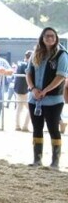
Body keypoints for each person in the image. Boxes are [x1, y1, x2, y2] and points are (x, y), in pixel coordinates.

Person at [26, 27, 67, 169]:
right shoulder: (35, 54)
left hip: (53, 100)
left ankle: (55, 162)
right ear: (42, 38)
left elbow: (61, 76)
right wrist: (32, 89)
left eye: (52, 36)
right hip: (34, 99)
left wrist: (45, 91)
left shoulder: (62, 54)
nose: (50, 38)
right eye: (47, 36)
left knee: (53, 129)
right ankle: (37, 159)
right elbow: (28, 73)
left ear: (56, 38)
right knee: (37, 128)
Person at [13, 50, 33, 132]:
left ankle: (17, 125)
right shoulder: (28, 65)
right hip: (25, 91)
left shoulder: (20, 64)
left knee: (19, 108)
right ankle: (25, 126)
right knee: (31, 109)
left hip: (17, 90)